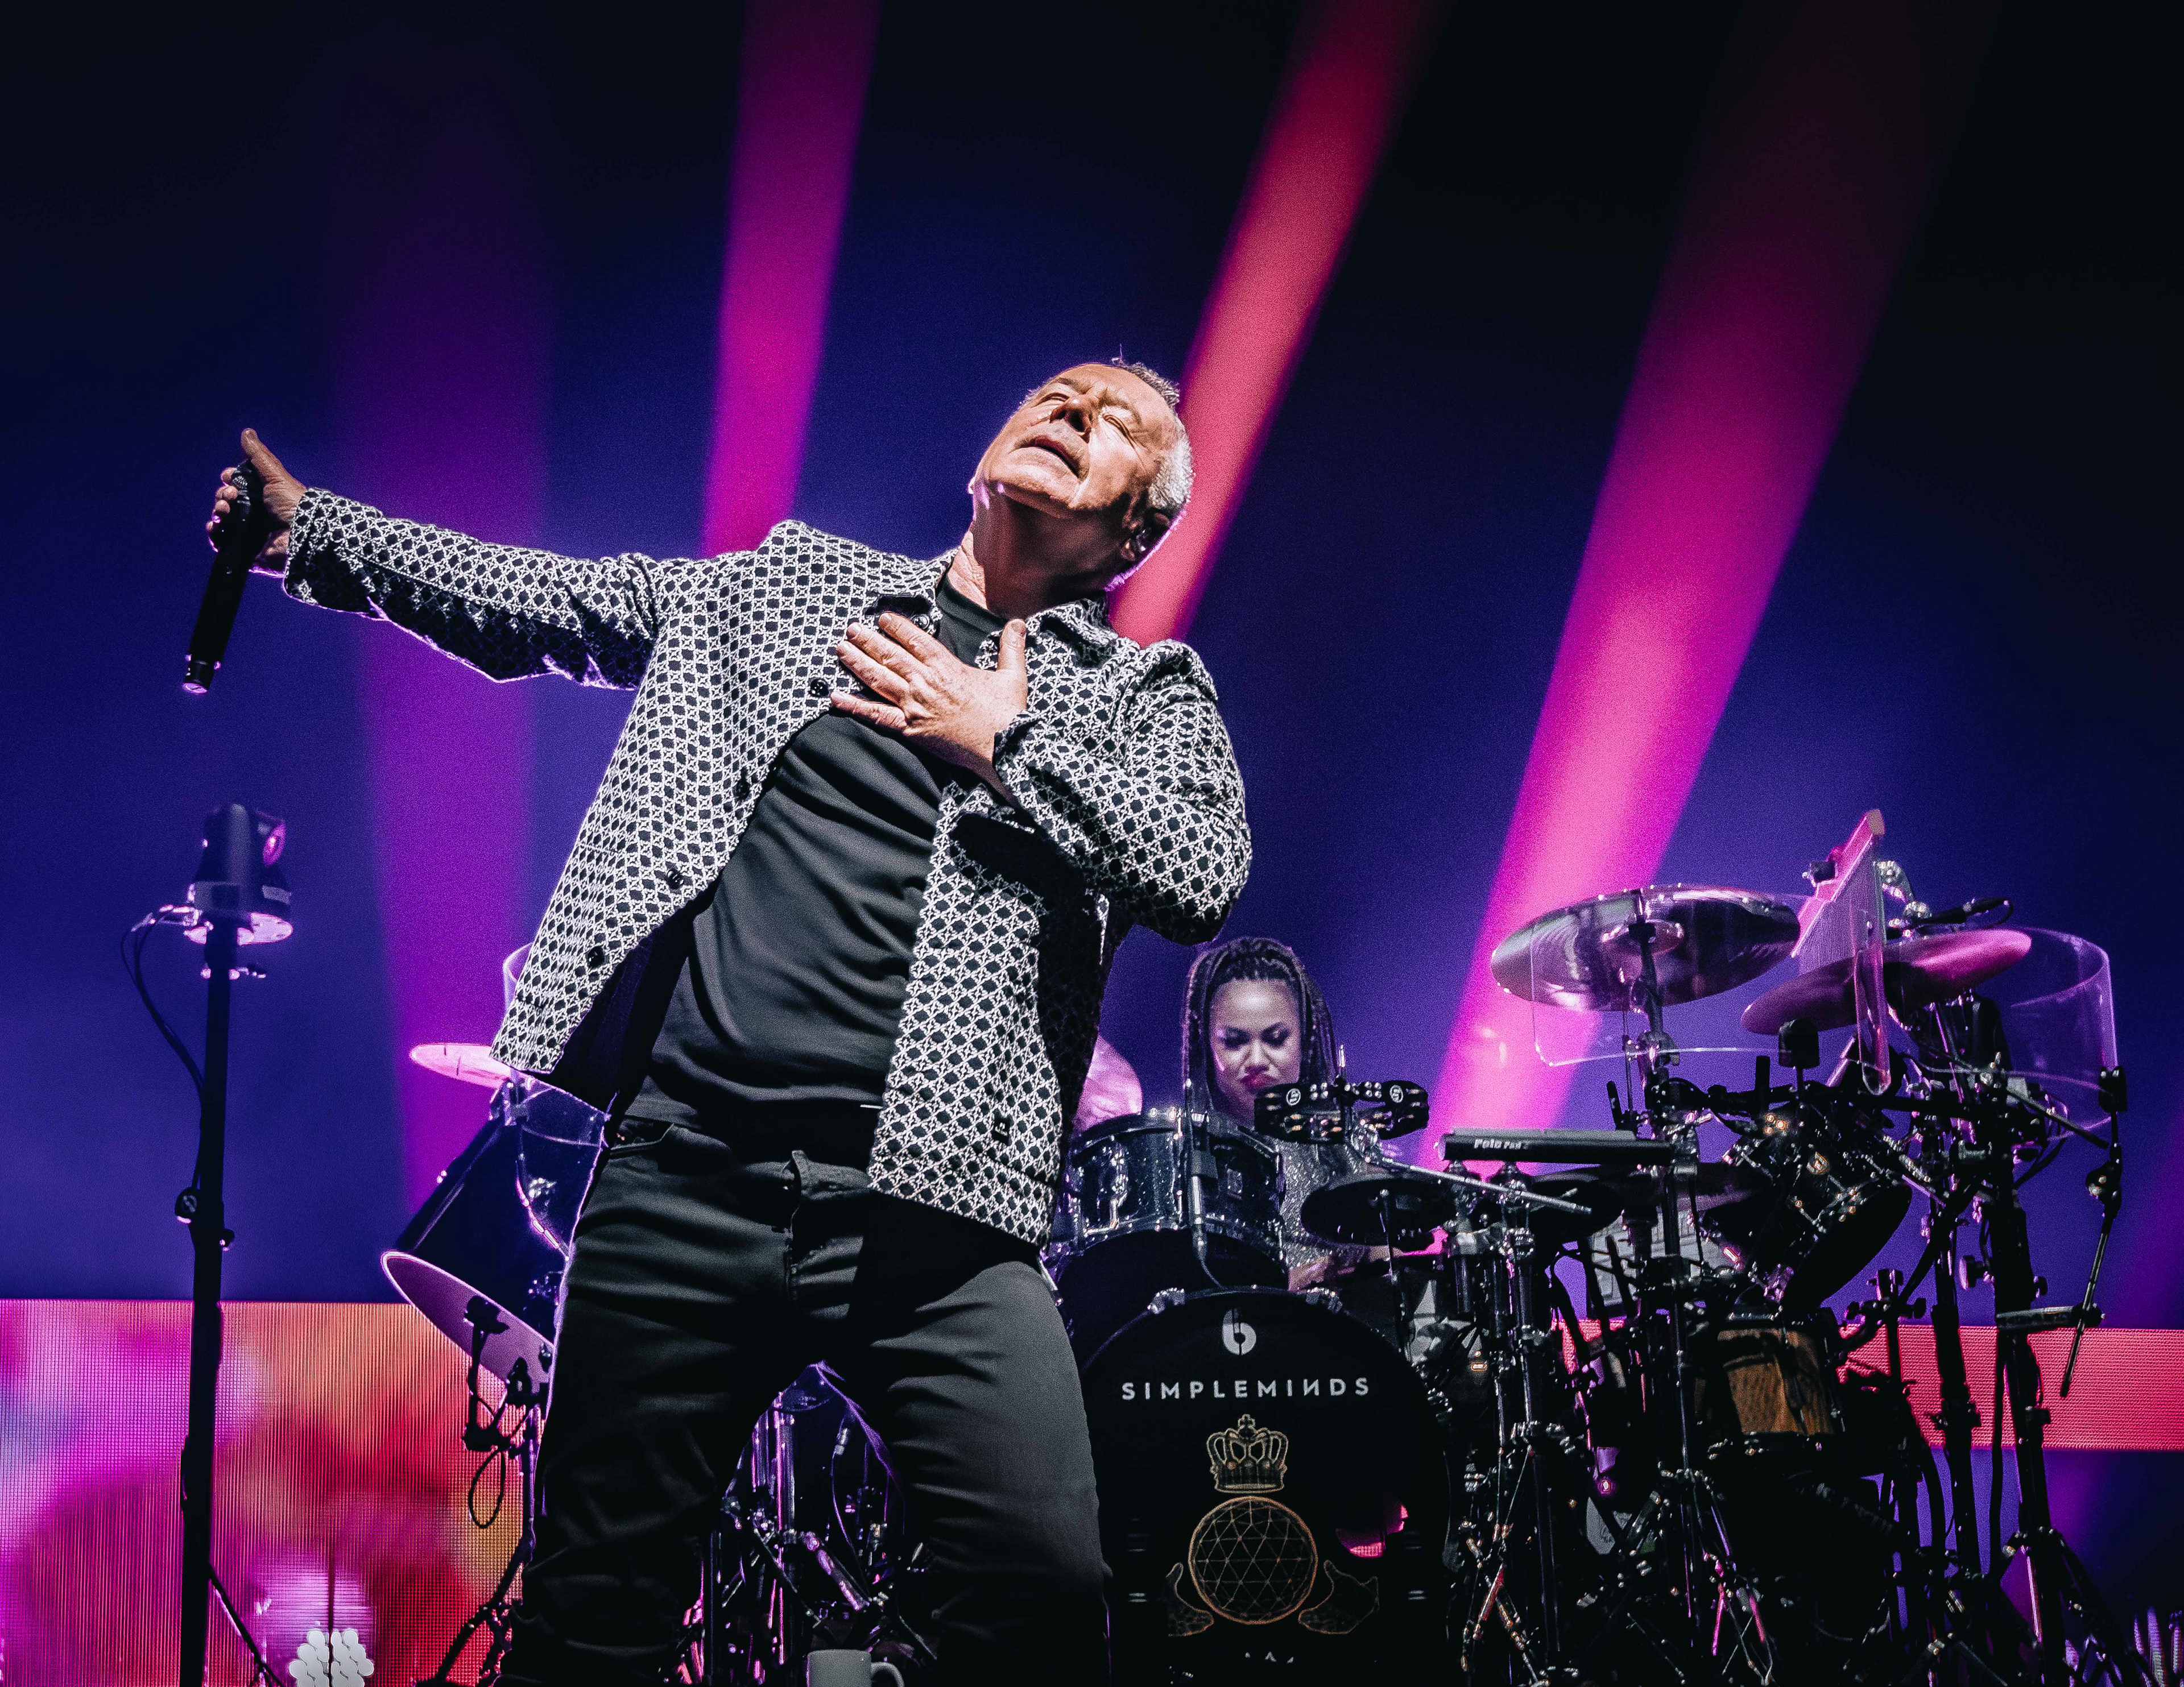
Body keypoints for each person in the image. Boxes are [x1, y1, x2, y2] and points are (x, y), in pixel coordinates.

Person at [206, 359, 1251, 1685]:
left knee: (1041, 1591)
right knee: (594, 1618)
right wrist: (314, 533)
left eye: (1118, 424)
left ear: (1133, 530)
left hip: (939, 1223)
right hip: (687, 1175)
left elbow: (1201, 868)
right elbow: (559, 602)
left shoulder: (1138, 691)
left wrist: (1002, 737)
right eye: (1058, 394)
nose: (1074, 411)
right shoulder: (797, 587)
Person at [1178, 936, 1372, 1285]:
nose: (1256, 1060)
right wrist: (1283, 1290)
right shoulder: (1181, 1152)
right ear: (1205, 1044)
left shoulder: (1346, 1139)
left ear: (1306, 1040)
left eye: (1276, 1039)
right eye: (1234, 1042)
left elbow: (1391, 1265)